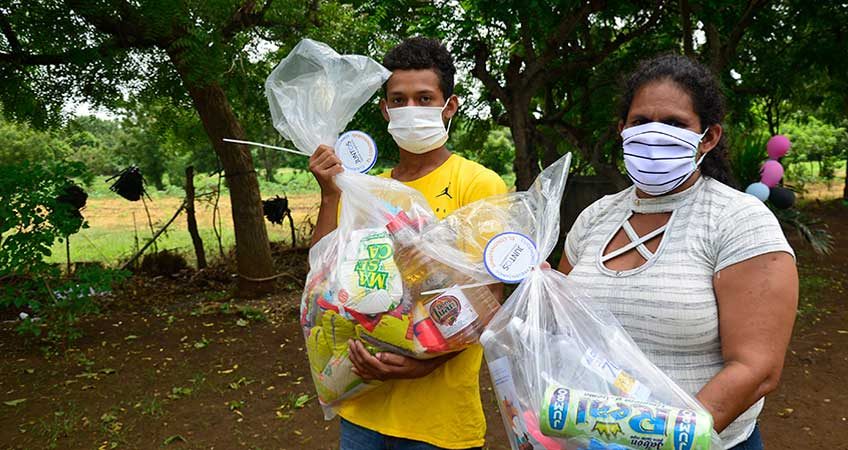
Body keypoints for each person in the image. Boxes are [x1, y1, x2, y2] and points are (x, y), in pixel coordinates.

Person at [557, 54, 798, 450]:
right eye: (640, 122)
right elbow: (559, 328)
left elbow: (756, 369)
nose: (654, 135)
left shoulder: (739, 221)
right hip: (588, 440)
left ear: (708, 137)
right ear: (622, 130)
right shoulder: (595, 217)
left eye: (674, 124)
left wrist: (658, 440)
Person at [308, 37, 507, 450]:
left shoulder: (478, 183)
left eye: (424, 98)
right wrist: (330, 194)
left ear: (449, 106)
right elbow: (324, 275)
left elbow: (487, 297)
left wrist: (424, 364)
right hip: (361, 406)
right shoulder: (366, 190)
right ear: (384, 110)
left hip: (438, 419)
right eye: (398, 100)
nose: (410, 109)